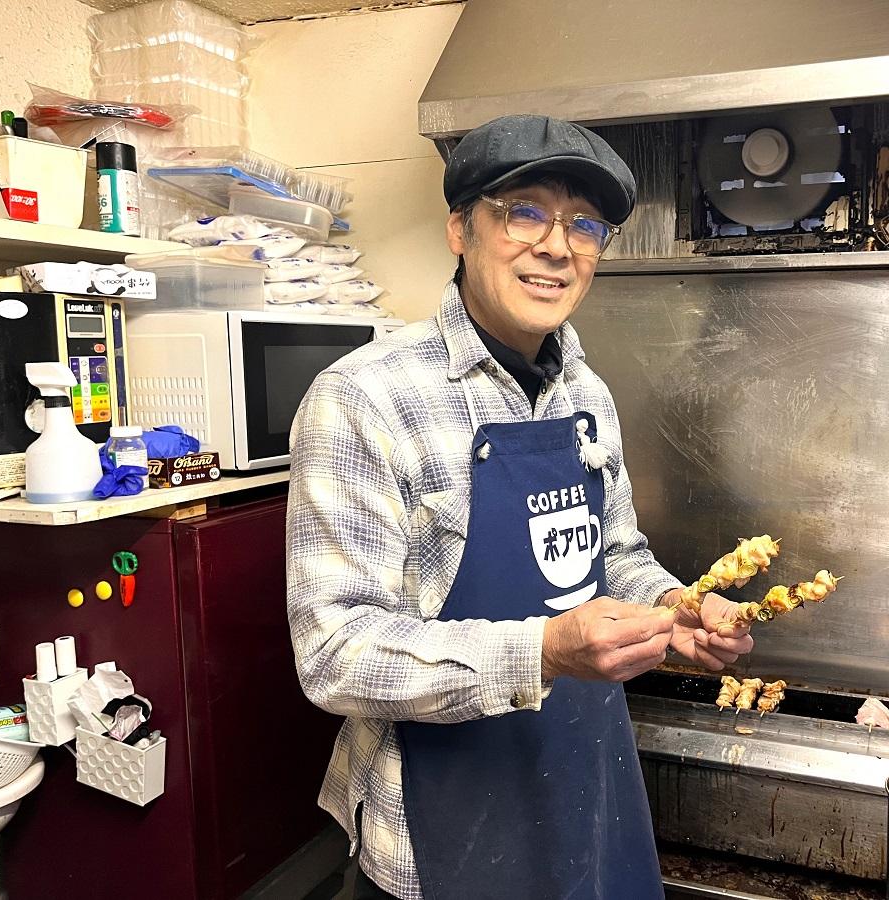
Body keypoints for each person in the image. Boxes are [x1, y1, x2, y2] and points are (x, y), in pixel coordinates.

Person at [286, 114, 755, 900]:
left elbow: (616, 556)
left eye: (584, 224)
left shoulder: (587, 395)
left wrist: (677, 607)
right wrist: (545, 651)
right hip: (438, 821)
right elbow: (335, 654)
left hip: (578, 782)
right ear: (460, 230)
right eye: (524, 212)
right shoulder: (365, 398)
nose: (557, 246)